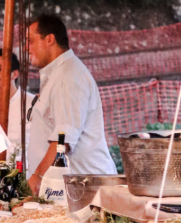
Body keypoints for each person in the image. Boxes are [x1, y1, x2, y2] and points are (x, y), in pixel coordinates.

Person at [25, 13, 116, 194]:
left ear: (49, 39)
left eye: (30, 41)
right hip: (72, 187)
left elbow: (63, 139)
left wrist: (37, 178)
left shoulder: (68, 76)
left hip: (86, 189)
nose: (27, 48)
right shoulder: (59, 73)